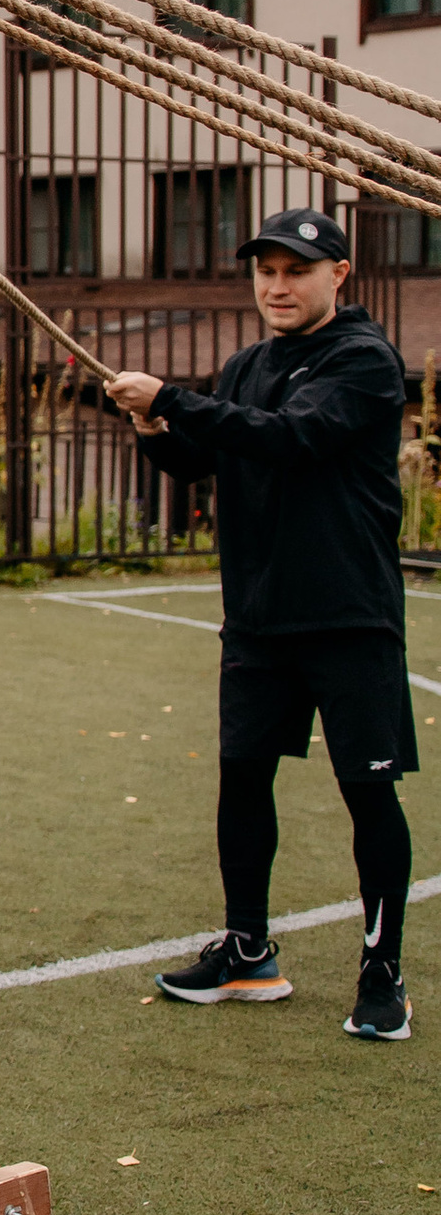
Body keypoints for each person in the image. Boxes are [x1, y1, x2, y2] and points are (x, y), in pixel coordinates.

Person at [108, 207, 414, 1041]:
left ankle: (382, 977)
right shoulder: (248, 364)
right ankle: (249, 954)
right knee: (242, 781)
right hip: (258, 620)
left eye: (296, 272)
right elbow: (209, 455)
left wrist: (174, 397)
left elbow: (294, 439)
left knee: (368, 791)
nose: (277, 287)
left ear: (337, 275)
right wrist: (153, 427)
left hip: (348, 617)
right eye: (266, 271)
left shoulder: (364, 360)